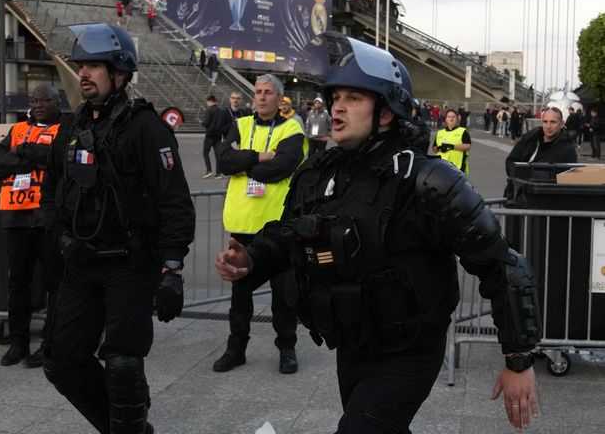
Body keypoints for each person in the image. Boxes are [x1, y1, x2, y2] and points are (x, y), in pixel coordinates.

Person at [215, 34, 541, 434]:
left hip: (411, 350)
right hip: (353, 343)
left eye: (353, 98)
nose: (337, 107)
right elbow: (287, 234)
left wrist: (518, 360)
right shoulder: (318, 173)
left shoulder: (429, 180)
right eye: (336, 97)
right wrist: (250, 259)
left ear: (386, 112)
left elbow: (503, 265)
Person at [39, 23, 195, 434]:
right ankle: (123, 424)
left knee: (123, 364)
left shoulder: (146, 127)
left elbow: (175, 201)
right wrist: (62, 240)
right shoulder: (72, 127)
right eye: (81, 66)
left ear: (120, 73)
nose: (83, 73)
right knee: (61, 360)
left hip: (130, 265)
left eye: (94, 66)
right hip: (80, 263)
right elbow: (51, 191)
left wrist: (172, 269)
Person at [213, 73, 307, 375]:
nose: (262, 96)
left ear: (280, 98)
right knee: (240, 293)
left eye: (268, 92)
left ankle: (287, 348)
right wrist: (260, 157)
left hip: (277, 226)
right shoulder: (240, 124)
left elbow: (283, 167)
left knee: (283, 293)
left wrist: (244, 165)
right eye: (258, 91)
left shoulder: (292, 128)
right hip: (243, 223)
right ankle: (236, 349)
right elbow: (223, 160)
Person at [0, 84, 65, 368]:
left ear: (57, 102)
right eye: (34, 100)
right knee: (18, 283)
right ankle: (18, 342)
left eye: (45, 100)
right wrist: (28, 160)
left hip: (48, 219)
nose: (38, 104)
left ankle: (49, 343)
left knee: (54, 283)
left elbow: (56, 157)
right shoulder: (18, 129)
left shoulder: (65, 129)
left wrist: (23, 152)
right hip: (16, 217)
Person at [504, 106, 577, 198]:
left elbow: (567, 180)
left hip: (544, 200)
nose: (548, 126)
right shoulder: (529, 139)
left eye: (553, 122)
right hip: (517, 196)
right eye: (545, 122)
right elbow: (511, 162)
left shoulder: (567, 149)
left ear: (562, 123)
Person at [433, 108, 472, 174]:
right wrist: (439, 148)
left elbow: (467, 146)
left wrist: (451, 147)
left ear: (457, 119)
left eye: (453, 117)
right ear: (446, 119)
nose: (451, 118)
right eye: (449, 117)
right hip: (442, 166)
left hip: (458, 167)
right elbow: (434, 147)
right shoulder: (440, 133)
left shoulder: (462, 131)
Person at [201, 94, 224, 178]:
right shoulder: (220, 110)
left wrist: (202, 123)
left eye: (207, 102)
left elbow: (206, 123)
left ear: (210, 101)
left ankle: (209, 170)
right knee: (217, 154)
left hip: (210, 135)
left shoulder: (209, 111)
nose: (207, 104)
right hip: (218, 135)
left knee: (205, 152)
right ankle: (218, 173)